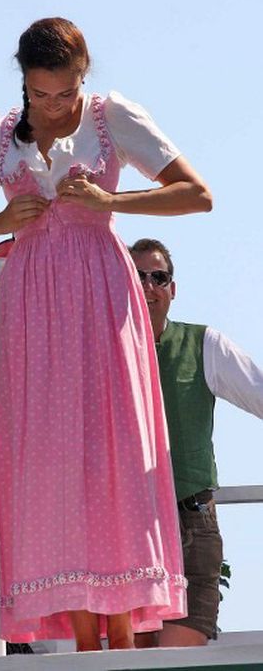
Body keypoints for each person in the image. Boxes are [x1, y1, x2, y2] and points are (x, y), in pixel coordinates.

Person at [0, 17, 212, 652]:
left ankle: (124, 635)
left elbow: (196, 194)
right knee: (50, 458)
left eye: (65, 92)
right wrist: (2, 218)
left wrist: (112, 205)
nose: (54, 106)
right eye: (40, 94)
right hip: (31, 310)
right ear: (23, 83)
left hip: (103, 299)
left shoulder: (115, 118)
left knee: (114, 447)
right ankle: (85, 642)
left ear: (85, 75)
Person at [129, 238, 263, 648]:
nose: (148, 286)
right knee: (132, 659)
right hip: (124, 527)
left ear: (172, 288)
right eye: (137, 277)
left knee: (177, 657)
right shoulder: (98, 349)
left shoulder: (204, 344)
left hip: (192, 521)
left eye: (158, 277)